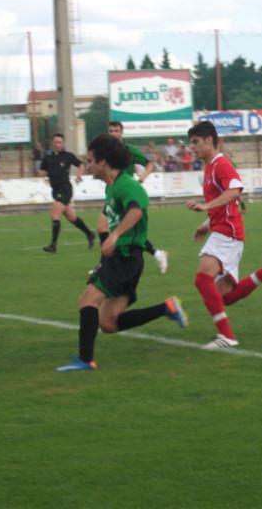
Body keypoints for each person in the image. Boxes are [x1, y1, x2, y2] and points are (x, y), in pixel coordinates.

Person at [55, 134, 188, 372]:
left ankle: (85, 360)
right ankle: (166, 308)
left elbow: (137, 210)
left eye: (91, 160)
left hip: (125, 257)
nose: (89, 165)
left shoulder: (127, 184)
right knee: (108, 323)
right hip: (126, 260)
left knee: (87, 300)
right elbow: (113, 218)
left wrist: (114, 237)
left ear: (103, 162)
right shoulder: (112, 187)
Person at [185, 120, 262, 349]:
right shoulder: (209, 167)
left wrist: (206, 208)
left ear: (209, 140)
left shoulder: (220, 164)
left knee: (202, 278)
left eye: (196, 142)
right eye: (191, 144)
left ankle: (226, 336)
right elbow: (224, 203)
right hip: (223, 231)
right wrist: (206, 224)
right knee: (226, 296)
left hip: (228, 233)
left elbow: (235, 190)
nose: (193, 148)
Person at [100, 121, 169, 274]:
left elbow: (149, 164)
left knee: (115, 229)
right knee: (106, 227)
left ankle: (105, 265)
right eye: (111, 131)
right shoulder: (106, 151)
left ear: (121, 132)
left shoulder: (129, 150)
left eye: (116, 131)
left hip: (125, 196)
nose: (113, 134)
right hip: (111, 193)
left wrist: (142, 177)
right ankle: (158, 254)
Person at [38, 133, 96, 254]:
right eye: (56, 142)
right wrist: (43, 172)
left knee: (54, 216)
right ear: (52, 144)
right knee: (72, 217)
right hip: (55, 190)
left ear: (63, 143)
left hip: (65, 189)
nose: (58, 144)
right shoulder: (48, 156)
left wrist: (79, 175)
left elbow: (81, 164)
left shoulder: (67, 156)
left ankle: (53, 245)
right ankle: (90, 234)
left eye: (60, 142)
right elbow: (42, 171)